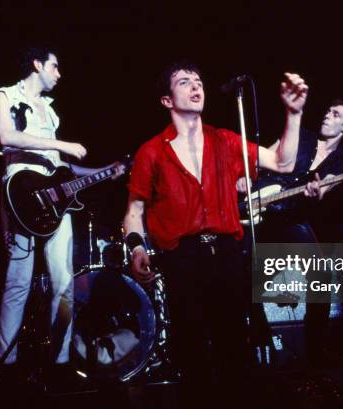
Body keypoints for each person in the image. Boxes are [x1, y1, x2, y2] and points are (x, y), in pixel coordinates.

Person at [123, 61, 308, 407]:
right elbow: (134, 212)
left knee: (234, 348)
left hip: (225, 252)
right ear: (167, 100)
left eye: (199, 81)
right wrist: (136, 247)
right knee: (191, 351)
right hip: (181, 258)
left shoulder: (224, 140)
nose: (196, 86)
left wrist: (293, 114)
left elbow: (283, 162)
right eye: (184, 82)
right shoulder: (151, 151)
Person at [0, 47, 119, 375]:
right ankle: (7, 362)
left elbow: (63, 170)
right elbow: (7, 137)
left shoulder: (50, 111)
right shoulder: (4, 95)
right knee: (18, 280)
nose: (59, 74)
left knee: (64, 281)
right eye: (55, 66)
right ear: (37, 64)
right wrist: (62, 144)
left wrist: (104, 170)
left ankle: (60, 362)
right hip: (22, 196)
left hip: (56, 201)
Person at [242, 99, 343, 366]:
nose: (326, 116)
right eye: (327, 110)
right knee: (244, 270)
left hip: (290, 218)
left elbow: (326, 188)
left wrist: (316, 191)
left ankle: (314, 350)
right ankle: (257, 329)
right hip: (259, 203)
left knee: (320, 276)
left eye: (335, 114)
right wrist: (247, 177)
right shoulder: (303, 136)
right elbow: (267, 156)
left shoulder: (339, 165)